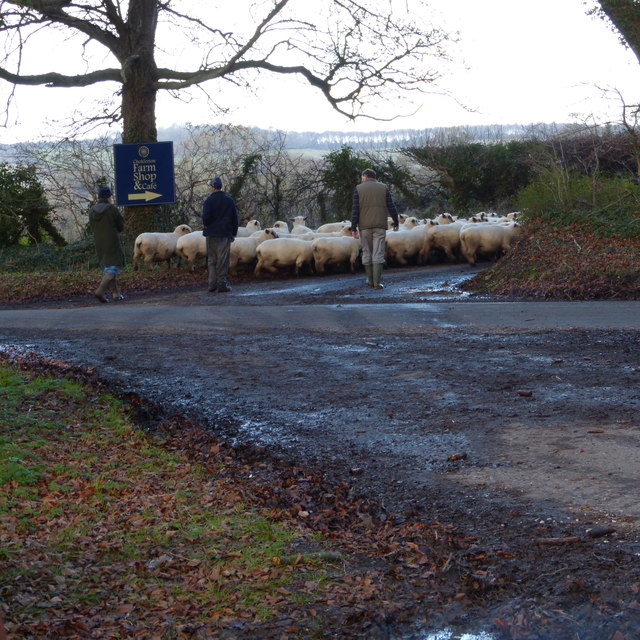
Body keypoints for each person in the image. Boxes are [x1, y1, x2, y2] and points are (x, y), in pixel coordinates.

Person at [351, 168, 399, 289]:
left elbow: (355, 210)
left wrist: (353, 227)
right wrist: (396, 221)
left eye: (362, 177)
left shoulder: (358, 189)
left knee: (366, 251)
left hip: (364, 227)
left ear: (366, 176)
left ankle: (370, 281)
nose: (361, 179)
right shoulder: (384, 187)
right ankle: (377, 283)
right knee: (378, 252)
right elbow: (391, 205)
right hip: (380, 226)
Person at [202, 176, 239, 293]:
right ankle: (222, 284)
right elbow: (235, 219)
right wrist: (233, 233)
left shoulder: (209, 201)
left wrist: (208, 225)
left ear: (212, 187)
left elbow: (205, 218)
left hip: (211, 234)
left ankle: (211, 284)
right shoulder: (229, 200)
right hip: (224, 234)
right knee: (222, 260)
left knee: (211, 259)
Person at [89, 186, 125, 303]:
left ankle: (116, 294)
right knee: (112, 267)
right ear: (108, 197)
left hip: (98, 242)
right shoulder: (111, 209)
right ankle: (100, 291)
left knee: (108, 266)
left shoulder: (92, 210)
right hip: (111, 240)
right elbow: (121, 226)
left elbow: (92, 227)